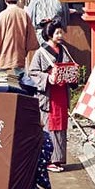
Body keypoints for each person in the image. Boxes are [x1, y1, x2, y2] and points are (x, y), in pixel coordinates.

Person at [24, 21, 76, 172]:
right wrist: (47, 78)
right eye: (57, 33)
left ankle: (58, 159)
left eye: (61, 32)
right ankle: (48, 160)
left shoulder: (64, 49)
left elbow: (70, 65)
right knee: (49, 126)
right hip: (48, 94)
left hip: (61, 93)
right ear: (49, 34)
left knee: (61, 127)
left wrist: (72, 74)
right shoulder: (41, 52)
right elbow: (33, 72)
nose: (60, 36)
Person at [0, 0, 39, 77]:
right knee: (21, 75)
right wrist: (27, 48)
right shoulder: (24, 14)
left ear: (5, 0)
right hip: (19, 50)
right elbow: (31, 35)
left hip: (4, 51)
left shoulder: (3, 15)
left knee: (0, 76)